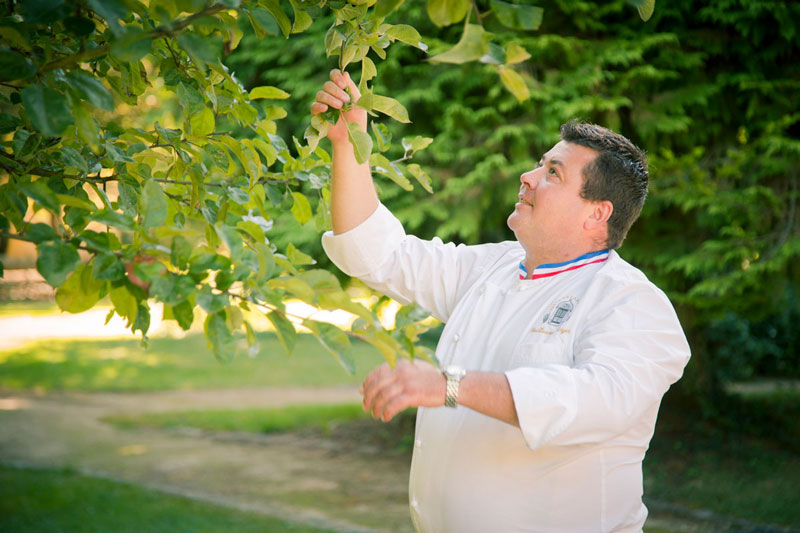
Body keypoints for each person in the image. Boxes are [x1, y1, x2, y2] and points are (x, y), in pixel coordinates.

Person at [312, 69, 691, 533]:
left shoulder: (631, 303)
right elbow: (380, 255)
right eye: (540, 163)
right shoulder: (493, 267)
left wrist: (448, 386)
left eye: (552, 173)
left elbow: (594, 401)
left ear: (597, 214)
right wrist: (349, 143)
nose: (528, 177)